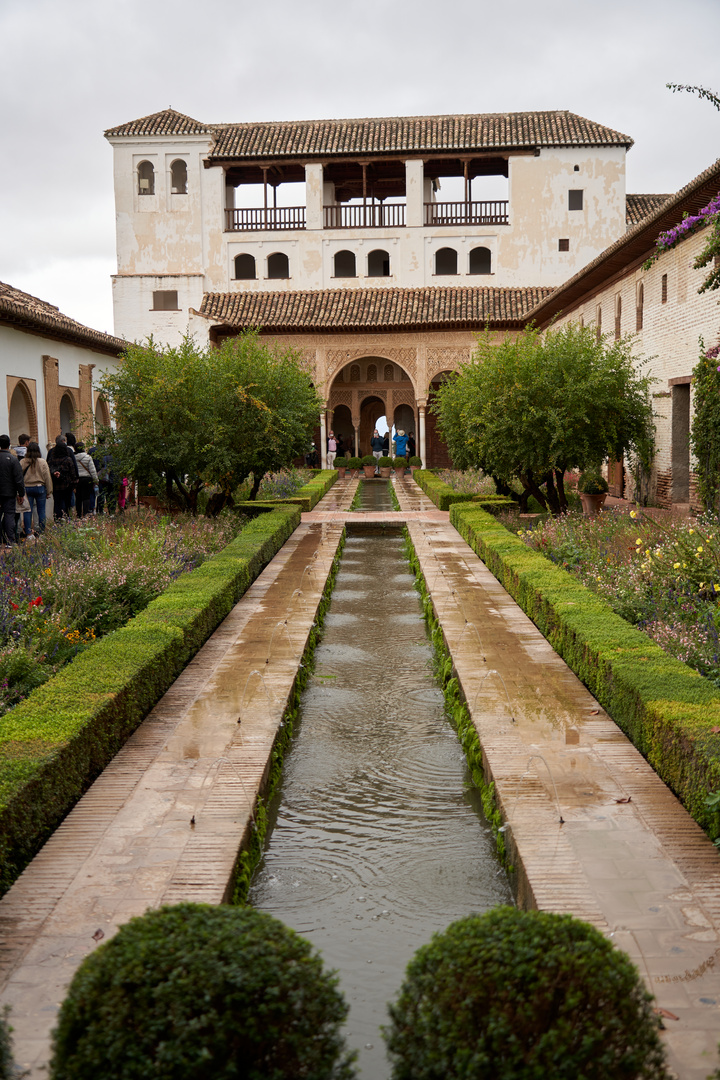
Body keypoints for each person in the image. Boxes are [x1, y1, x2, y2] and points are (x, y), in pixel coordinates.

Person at [20, 442, 52, 534]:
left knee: (27, 511)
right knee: (41, 511)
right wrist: (49, 491)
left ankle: (28, 533)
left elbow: (19, 477)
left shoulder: (23, 461)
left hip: (27, 488)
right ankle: (41, 532)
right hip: (40, 487)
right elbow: (47, 477)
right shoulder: (42, 461)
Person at [0, 434, 25, 546]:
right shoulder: (13, 460)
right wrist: (21, 493)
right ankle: (10, 540)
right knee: (9, 515)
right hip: (9, 492)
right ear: (9, 444)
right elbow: (18, 479)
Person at [50, 442, 77, 519]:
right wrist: (74, 484)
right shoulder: (68, 460)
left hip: (56, 485)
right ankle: (67, 518)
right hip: (67, 485)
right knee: (67, 503)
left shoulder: (52, 460)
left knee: (57, 503)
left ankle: (57, 519)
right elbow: (72, 472)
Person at [74, 442, 99, 518]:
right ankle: (85, 513)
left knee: (78, 497)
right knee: (86, 497)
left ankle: (78, 514)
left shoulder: (73, 458)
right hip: (87, 479)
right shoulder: (88, 457)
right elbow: (92, 470)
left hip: (77, 479)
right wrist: (96, 480)